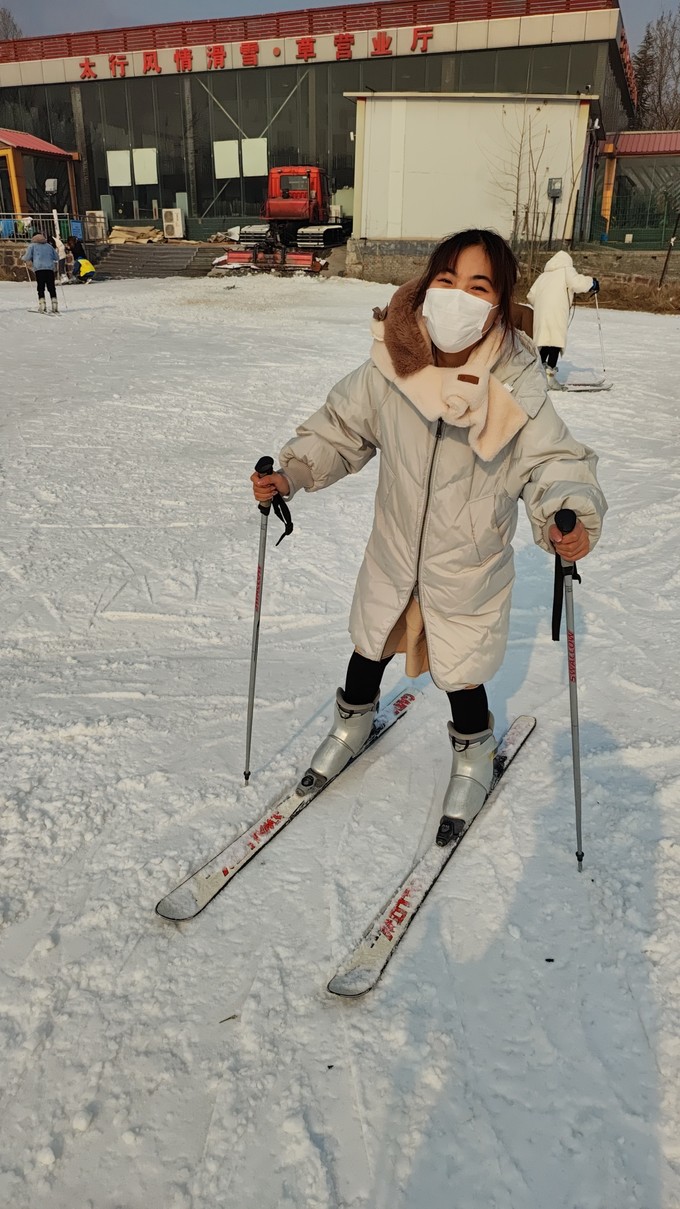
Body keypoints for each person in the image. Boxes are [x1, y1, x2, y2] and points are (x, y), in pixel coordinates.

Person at [251, 229, 607, 843]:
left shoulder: (515, 385)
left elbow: (554, 463)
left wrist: (566, 513)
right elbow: (340, 430)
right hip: (394, 551)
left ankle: (473, 752)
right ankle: (351, 722)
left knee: (463, 667)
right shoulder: (392, 364)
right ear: (426, 284)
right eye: (447, 280)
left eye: (478, 286)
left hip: (466, 563)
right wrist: (292, 472)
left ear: (498, 302)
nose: (457, 297)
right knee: (371, 640)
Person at [526, 251, 599, 390]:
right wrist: (593, 283)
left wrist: (543, 304)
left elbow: (531, 295)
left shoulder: (543, 276)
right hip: (557, 312)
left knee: (545, 342)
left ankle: (539, 375)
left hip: (542, 314)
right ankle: (549, 378)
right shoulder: (566, 270)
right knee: (555, 341)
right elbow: (578, 283)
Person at [22, 233, 59, 313]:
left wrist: (23, 258)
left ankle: (42, 305)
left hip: (39, 269)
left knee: (41, 287)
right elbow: (56, 257)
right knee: (51, 287)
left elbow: (27, 257)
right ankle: (54, 304)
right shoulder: (49, 246)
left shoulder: (32, 246)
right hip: (49, 269)